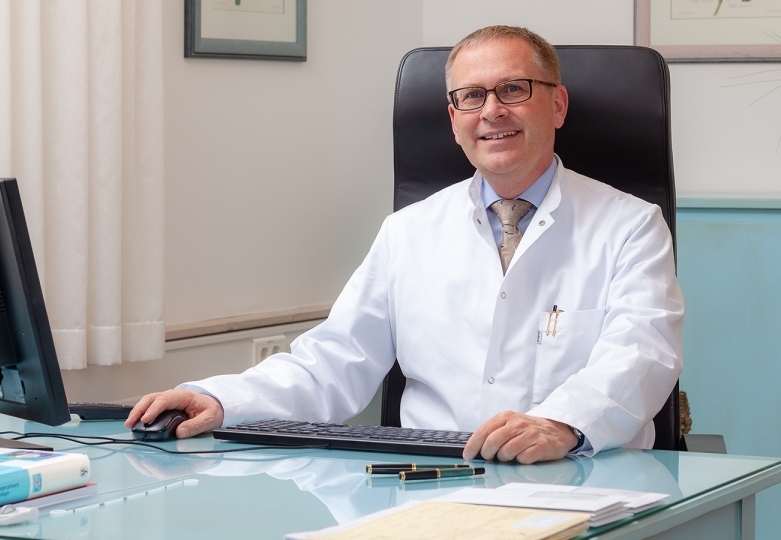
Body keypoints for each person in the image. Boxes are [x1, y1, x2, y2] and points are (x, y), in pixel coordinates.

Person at [126, 25, 684, 464]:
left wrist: (560, 424)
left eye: (513, 89)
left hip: (577, 478)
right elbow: (334, 361)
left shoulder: (630, 225)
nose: (491, 111)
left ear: (557, 105)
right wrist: (221, 401)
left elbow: (641, 355)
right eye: (471, 96)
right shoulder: (408, 231)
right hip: (429, 480)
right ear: (454, 120)